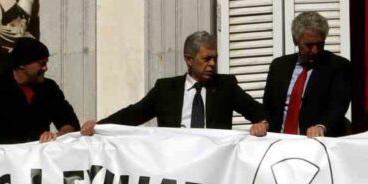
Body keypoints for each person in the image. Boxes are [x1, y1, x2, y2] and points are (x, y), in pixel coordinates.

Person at [80, 31, 269, 136]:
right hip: (175, 168)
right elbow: (134, 114)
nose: (212, 64)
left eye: (215, 58)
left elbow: (259, 112)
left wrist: (262, 125)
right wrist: (98, 126)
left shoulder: (225, 86)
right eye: (206, 59)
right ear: (189, 59)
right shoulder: (166, 90)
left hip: (213, 170)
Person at [262, 11, 353, 137]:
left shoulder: (338, 66)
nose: (315, 50)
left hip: (316, 142)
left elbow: (338, 106)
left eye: (319, 44)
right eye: (309, 45)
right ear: (296, 40)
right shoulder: (279, 66)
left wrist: (321, 126)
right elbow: (268, 106)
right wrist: (263, 123)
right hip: (280, 141)